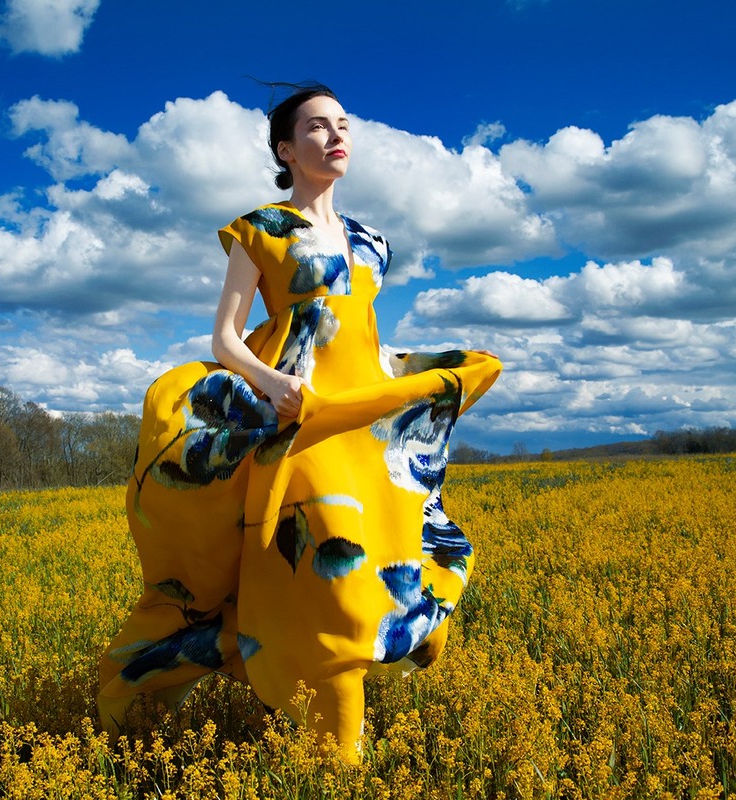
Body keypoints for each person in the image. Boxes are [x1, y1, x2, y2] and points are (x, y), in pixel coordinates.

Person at [97, 83, 502, 761]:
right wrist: (273, 383)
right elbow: (226, 337)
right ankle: (332, 745)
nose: (335, 135)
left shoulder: (373, 243)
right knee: (329, 557)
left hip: (358, 418)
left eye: (343, 124)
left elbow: (362, 333)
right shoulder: (261, 228)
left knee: (394, 557)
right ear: (286, 150)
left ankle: (342, 687)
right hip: (298, 413)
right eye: (316, 127)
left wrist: (413, 375)